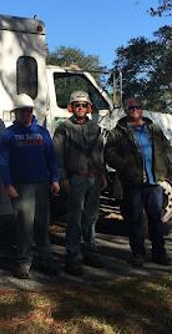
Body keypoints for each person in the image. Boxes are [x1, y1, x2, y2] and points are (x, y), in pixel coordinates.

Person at [105, 97, 172, 267]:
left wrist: (164, 165)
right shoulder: (118, 132)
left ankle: (159, 253)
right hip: (132, 184)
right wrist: (124, 167)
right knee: (134, 220)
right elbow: (109, 153)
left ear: (142, 109)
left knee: (156, 220)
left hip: (153, 183)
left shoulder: (153, 129)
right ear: (126, 111)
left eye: (137, 107)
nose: (134, 110)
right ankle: (138, 254)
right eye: (130, 108)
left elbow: (167, 148)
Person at [0, 93, 61, 279]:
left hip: (41, 184)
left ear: (32, 112)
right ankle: (24, 263)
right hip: (20, 186)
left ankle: (46, 260)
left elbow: (51, 158)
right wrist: (8, 184)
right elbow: (3, 161)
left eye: (28, 110)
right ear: (16, 113)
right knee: (24, 226)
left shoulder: (42, 133)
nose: (25, 114)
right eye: (21, 111)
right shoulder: (8, 134)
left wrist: (55, 179)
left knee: (42, 225)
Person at [53, 91, 106, 276]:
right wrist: (62, 177)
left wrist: (103, 175)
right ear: (71, 108)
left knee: (91, 217)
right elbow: (57, 155)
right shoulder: (63, 128)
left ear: (89, 107)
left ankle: (90, 251)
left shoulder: (96, 128)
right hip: (75, 178)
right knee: (75, 218)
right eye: (77, 105)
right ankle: (72, 257)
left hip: (94, 178)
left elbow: (100, 153)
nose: (81, 108)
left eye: (84, 105)